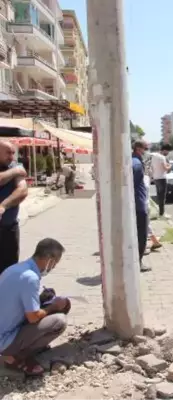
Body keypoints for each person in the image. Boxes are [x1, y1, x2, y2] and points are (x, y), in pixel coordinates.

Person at [0, 238, 69, 377]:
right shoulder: (30, 278)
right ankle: (15, 356)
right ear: (49, 259)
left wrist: (43, 299)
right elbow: (32, 318)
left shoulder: (16, 268)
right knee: (59, 321)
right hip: (4, 339)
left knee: (59, 300)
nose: (54, 267)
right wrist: (53, 307)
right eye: (55, 263)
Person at [0, 141, 28, 275]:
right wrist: (15, 171)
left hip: (9, 229)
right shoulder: (16, 168)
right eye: (7, 153)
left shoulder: (15, 165)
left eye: (13, 153)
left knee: (10, 270)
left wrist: (3, 205)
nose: (11, 157)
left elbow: (22, 190)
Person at [132, 140, 151, 272]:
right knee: (141, 235)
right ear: (139, 149)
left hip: (137, 203)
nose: (146, 151)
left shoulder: (135, 161)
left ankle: (137, 261)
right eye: (145, 148)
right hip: (139, 205)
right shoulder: (136, 163)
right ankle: (138, 262)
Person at [151, 144, 172, 217]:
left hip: (156, 178)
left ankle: (160, 212)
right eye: (168, 151)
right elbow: (165, 168)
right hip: (162, 178)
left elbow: (152, 168)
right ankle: (162, 214)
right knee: (162, 197)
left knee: (159, 196)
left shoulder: (154, 157)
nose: (168, 153)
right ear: (165, 150)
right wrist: (170, 166)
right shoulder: (162, 157)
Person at [143, 174, 162, 252]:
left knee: (143, 226)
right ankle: (155, 242)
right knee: (146, 225)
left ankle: (145, 245)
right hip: (147, 204)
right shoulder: (146, 178)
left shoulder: (138, 179)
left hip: (141, 205)